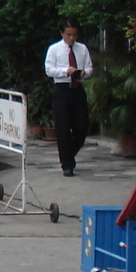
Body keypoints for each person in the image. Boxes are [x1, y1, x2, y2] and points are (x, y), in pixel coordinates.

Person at [45, 22, 95, 176]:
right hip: (61, 89)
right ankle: (66, 164)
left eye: (74, 35)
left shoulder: (82, 49)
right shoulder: (54, 49)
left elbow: (89, 68)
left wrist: (82, 73)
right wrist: (65, 71)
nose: (72, 38)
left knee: (82, 126)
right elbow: (49, 70)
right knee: (63, 127)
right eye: (69, 34)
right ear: (62, 33)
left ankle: (69, 154)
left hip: (77, 89)